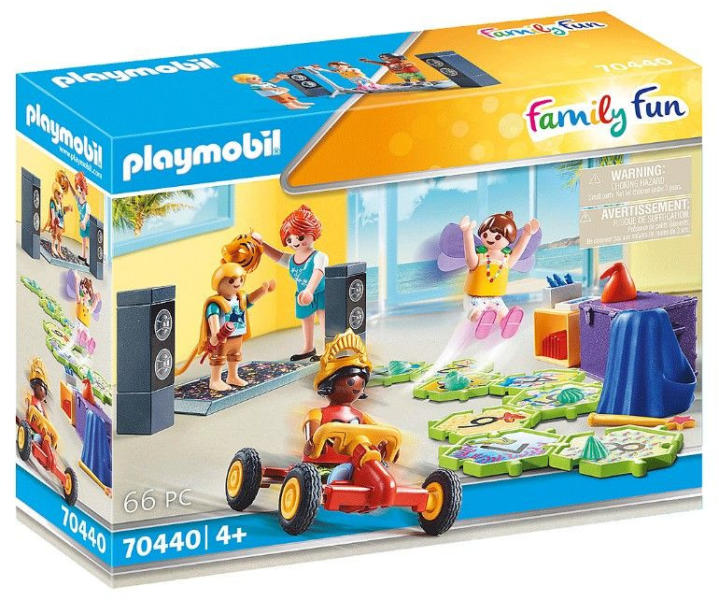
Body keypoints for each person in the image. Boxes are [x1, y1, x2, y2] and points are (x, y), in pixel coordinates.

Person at [304, 330, 388, 484]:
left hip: (355, 464)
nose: (356, 387)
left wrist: (385, 444)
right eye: (350, 382)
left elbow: (379, 432)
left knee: (376, 470)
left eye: (361, 384)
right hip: (322, 466)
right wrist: (313, 442)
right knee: (329, 476)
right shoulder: (317, 413)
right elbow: (313, 433)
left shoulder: (362, 416)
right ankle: (324, 487)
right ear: (329, 384)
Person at [176, 262, 275, 391]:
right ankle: (215, 380)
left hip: (237, 335)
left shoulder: (240, 298)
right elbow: (212, 318)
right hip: (222, 338)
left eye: (240, 279)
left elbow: (251, 299)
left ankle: (232, 376)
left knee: (235, 356)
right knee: (218, 358)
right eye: (231, 280)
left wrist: (263, 290)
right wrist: (216, 334)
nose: (237, 283)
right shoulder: (216, 303)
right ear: (218, 283)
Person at [252, 205, 327, 361]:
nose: (295, 242)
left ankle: (329, 348)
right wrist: (261, 244)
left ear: (313, 233)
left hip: (321, 292)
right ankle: (308, 347)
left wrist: (309, 290)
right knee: (306, 319)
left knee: (325, 320)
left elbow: (318, 272)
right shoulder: (292, 259)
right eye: (289, 239)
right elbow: (277, 255)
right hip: (302, 295)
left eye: (300, 237)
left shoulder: (319, 256)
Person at [460, 211, 540, 339]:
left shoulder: (505, 260)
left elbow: (518, 252)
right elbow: (469, 259)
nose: (490, 239)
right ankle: (481, 322)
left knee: (503, 313)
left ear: (508, 240)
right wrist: (467, 232)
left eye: (497, 237)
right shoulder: (480, 257)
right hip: (474, 298)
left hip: (495, 299)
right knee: (476, 312)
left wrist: (527, 234)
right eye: (485, 234)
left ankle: (505, 324)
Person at [232, 73, 313, 109]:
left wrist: (279, 78)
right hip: (272, 94)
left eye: (258, 77)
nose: (258, 78)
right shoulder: (253, 86)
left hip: (279, 91)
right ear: (248, 81)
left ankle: (299, 103)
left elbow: (272, 81)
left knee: (289, 97)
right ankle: (292, 106)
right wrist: (273, 89)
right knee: (284, 100)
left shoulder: (264, 82)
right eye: (254, 78)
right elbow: (263, 89)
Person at [359, 53, 427, 85]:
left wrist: (404, 62)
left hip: (411, 71)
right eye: (381, 58)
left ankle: (423, 82)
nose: (382, 58)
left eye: (384, 57)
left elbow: (403, 59)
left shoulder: (399, 60)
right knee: (405, 77)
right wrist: (368, 61)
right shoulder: (388, 63)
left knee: (419, 77)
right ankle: (408, 82)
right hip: (401, 73)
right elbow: (379, 63)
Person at [68, 172, 91, 264]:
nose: (82, 192)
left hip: (87, 225)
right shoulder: (78, 200)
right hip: (82, 223)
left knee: (89, 242)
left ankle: (90, 260)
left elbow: (87, 215)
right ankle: (83, 256)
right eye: (80, 189)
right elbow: (73, 192)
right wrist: (69, 183)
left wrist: (84, 222)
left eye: (83, 190)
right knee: (83, 240)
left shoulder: (87, 205)